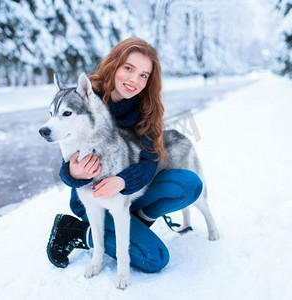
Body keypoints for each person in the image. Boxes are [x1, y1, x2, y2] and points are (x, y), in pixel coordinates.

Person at [47, 37, 203, 273]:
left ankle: (139, 220)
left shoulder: (147, 109)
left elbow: (151, 162)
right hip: (94, 197)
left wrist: (122, 182)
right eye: (128, 68)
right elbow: (66, 162)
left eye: (143, 75)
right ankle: (76, 231)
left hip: (130, 192)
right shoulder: (84, 98)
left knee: (189, 184)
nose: (134, 79)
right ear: (114, 64)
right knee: (154, 258)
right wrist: (73, 172)